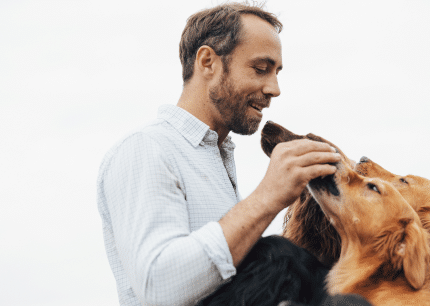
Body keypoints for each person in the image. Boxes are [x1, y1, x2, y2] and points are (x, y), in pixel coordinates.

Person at [97, 3, 341, 305]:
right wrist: (266, 198)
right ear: (207, 62)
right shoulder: (146, 149)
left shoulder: (216, 159)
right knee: (280, 258)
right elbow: (159, 287)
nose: (274, 88)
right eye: (260, 69)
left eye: (277, 72)